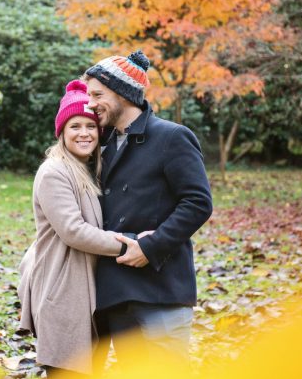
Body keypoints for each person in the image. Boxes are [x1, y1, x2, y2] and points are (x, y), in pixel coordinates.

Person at [83, 49, 213, 362]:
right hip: (117, 292)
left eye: (97, 94)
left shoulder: (172, 137)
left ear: (122, 93)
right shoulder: (103, 145)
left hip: (161, 289)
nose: (90, 103)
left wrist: (151, 247)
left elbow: (198, 202)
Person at [18, 79, 143, 379]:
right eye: (75, 126)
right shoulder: (54, 172)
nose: (84, 133)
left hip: (89, 292)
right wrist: (129, 243)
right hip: (62, 292)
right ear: (62, 131)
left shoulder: (89, 169)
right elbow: (73, 231)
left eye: (90, 125)